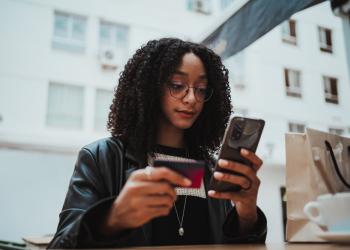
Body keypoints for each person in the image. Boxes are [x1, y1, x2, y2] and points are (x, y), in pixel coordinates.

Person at [48, 38, 267, 249]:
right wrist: (112, 218)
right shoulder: (101, 157)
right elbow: (60, 245)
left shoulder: (212, 170)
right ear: (150, 87)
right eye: (177, 85)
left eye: (201, 89)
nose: (191, 98)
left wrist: (247, 214)